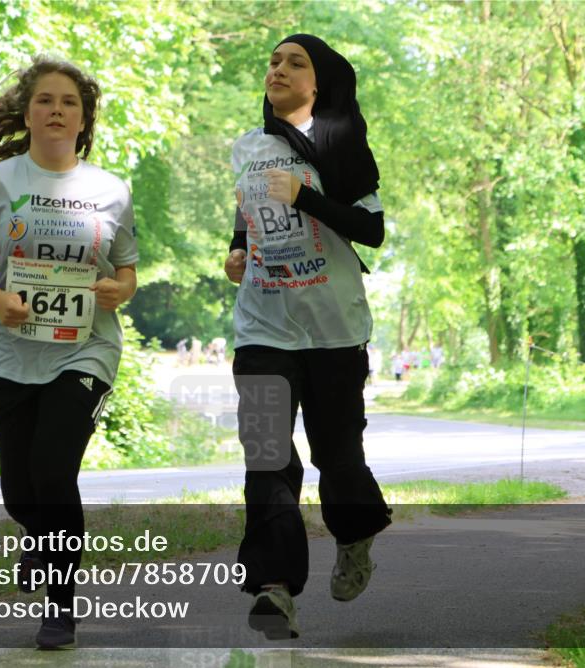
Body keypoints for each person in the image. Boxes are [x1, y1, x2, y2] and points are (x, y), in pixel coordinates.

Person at [0, 56, 138, 650]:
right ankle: (37, 536)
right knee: (19, 485)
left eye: (69, 103)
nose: (57, 111)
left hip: (85, 349)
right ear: (28, 113)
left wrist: (119, 289)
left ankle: (61, 609)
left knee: (55, 471)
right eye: (46, 101)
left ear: (83, 121)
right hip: (11, 350)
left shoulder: (111, 191)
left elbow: (127, 272)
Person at [223, 33, 391, 640]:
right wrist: (237, 251)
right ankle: (274, 588)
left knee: (337, 458)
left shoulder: (341, 144)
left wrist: (309, 197)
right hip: (263, 326)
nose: (279, 69)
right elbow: (249, 211)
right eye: (273, 62)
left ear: (319, 82)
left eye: (295, 63)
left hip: (333, 330)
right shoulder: (250, 145)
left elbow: (370, 230)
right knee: (267, 456)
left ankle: (355, 534)